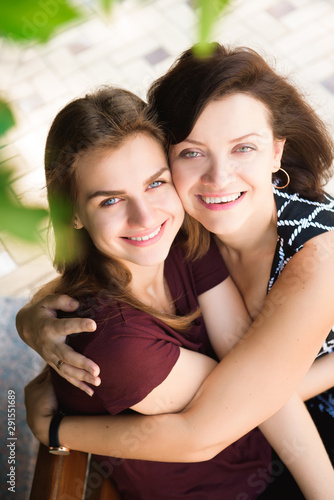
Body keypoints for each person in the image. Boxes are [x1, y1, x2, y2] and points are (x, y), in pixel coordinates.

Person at [21, 45, 334, 497]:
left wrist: (56, 429)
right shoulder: (184, 231)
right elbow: (214, 417)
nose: (219, 178)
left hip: (294, 427)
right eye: (192, 153)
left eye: (244, 147)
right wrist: (29, 321)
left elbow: (236, 399)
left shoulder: (302, 255)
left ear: (276, 152)